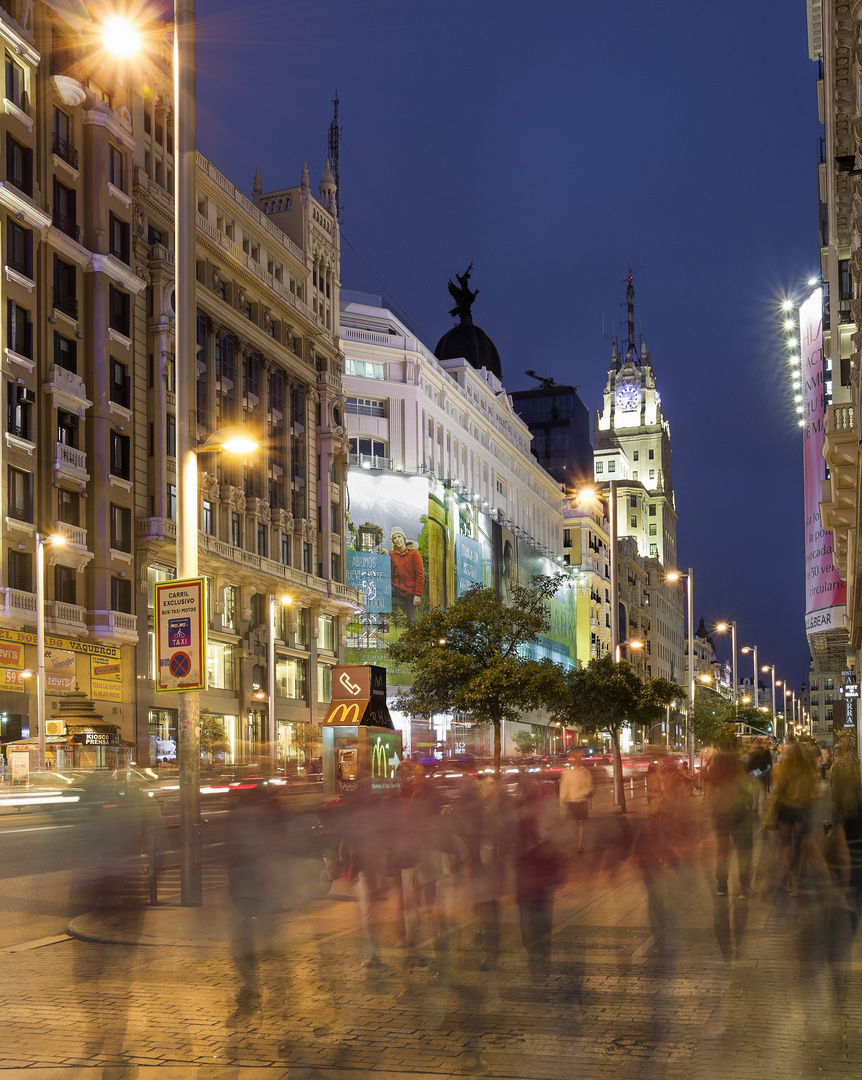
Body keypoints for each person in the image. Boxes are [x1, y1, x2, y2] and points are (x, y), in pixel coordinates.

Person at [768, 740, 818, 894]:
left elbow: (778, 791)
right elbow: (811, 794)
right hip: (801, 810)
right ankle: (798, 879)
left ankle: (788, 879)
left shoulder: (781, 770)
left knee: (787, 845)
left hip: (785, 810)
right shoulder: (808, 771)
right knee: (802, 845)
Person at [389, 526, 425, 626]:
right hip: (397, 587)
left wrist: (418, 595)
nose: (397, 540)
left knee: (412, 621)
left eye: (399, 536)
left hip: (410, 591)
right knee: (384, 591)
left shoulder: (414, 553)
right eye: (394, 538)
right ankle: (383, 620)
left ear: (404, 538)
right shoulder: (392, 554)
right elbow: (391, 572)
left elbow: (420, 575)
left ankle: (413, 639)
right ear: (393, 541)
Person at [559, 755, 593, 853]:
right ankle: (577, 841)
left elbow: (589, 786)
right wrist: (563, 798)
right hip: (571, 801)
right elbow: (564, 786)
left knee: (580, 822)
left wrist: (582, 793)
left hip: (581, 801)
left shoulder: (585, 772)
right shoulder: (568, 773)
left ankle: (580, 845)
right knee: (571, 822)